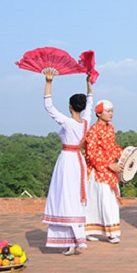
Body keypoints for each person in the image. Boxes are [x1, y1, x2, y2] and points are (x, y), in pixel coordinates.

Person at [42, 71, 93, 255]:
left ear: (71, 106)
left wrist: (48, 82)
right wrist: (89, 85)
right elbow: (90, 105)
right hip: (79, 161)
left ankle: (74, 239)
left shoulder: (68, 123)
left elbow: (49, 107)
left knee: (64, 196)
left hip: (66, 160)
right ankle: (75, 238)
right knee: (74, 198)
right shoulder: (85, 122)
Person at [84, 99, 123, 244]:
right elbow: (90, 153)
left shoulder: (110, 128)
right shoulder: (93, 130)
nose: (111, 114)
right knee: (99, 202)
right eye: (108, 111)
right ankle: (94, 231)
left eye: (112, 111)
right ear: (99, 113)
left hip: (109, 171)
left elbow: (112, 147)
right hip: (98, 171)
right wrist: (108, 164)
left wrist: (125, 155)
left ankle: (110, 231)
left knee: (110, 201)